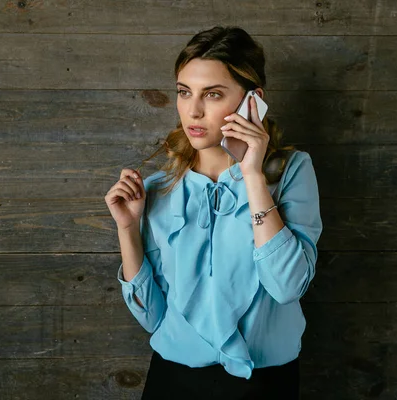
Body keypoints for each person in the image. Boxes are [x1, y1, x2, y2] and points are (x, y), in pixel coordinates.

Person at [104, 26, 322, 400]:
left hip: (264, 385)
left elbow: (287, 287)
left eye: (213, 94)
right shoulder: (159, 186)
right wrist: (128, 228)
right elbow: (153, 318)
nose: (194, 110)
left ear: (252, 100)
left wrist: (251, 174)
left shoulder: (292, 172)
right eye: (184, 92)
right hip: (173, 382)